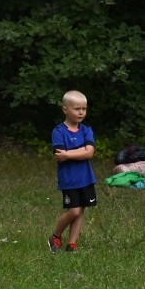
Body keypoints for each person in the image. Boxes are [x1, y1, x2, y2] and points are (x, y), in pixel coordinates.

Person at [47, 91, 97, 253]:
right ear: (65, 109)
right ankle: (55, 235)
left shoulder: (86, 130)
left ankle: (72, 244)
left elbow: (89, 153)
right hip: (69, 180)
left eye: (84, 108)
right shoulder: (59, 131)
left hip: (86, 178)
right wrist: (80, 151)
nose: (81, 112)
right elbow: (59, 155)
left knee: (80, 211)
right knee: (74, 210)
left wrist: (69, 153)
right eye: (77, 109)